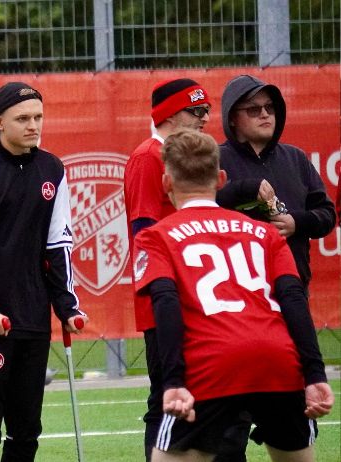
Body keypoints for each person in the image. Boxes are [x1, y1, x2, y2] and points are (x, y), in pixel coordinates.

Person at [132, 129, 334, 462]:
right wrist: (314, 374)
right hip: (277, 361)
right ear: (222, 179)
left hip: (211, 365)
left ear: (167, 183)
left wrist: (174, 380)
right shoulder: (266, 233)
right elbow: (294, 300)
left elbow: (166, 304)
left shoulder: (156, 237)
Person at [0, 81, 88, 462]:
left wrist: (68, 307)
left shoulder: (52, 169)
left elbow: (59, 244)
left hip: (33, 318)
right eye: (23, 118)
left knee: (26, 435)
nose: (33, 126)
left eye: (38, 117)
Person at [123, 78, 219, 461]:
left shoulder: (183, 156)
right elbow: (143, 231)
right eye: (195, 110)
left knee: (204, 394)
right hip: (166, 299)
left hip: (193, 295)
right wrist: (163, 289)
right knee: (166, 396)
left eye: (206, 110)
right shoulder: (149, 156)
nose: (204, 118)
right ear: (169, 115)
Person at [217, 74, 336, 294]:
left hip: (293, 288)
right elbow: (201, 207)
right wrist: (244, 191)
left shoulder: (295, 158)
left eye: (270, 107)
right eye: (254, 109)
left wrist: (296, 222)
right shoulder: (215, 159)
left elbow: (327, 214)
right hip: (239, 291)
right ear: (232, 118)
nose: (265, 114)